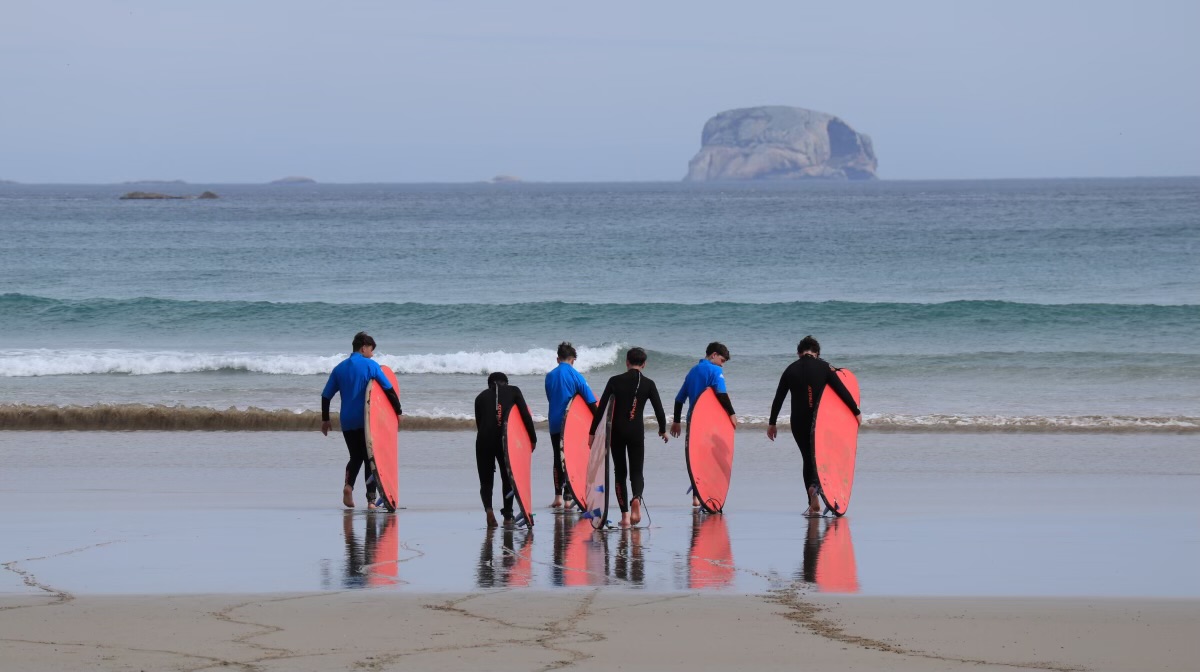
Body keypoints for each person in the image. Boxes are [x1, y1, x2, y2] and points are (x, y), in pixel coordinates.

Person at [767, 335, 861, 516]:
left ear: (799, 353)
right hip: (819, 422)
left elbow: (778, 398)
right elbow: (842, 391)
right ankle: (818, 486)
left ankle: (812, 498)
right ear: (817, 353)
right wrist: (856, 411)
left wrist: (772, 423)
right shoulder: (824, 367)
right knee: (822, 457)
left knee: (807, 458)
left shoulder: (790, 369)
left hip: (798, 422)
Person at [320, 331, 402, 509]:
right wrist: (398, 411)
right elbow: (388, 389)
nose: (372, 354)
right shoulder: (370, 366)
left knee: (355, 456)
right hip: (367, 421)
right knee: (370, 459)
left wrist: (325, 419)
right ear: (363, 347)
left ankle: (348, 487)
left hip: (347, 421)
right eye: (371, 350)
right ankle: (371, 500)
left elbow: (326, 395)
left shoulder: (339, 368)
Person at [588, 347, 668, 527]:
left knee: (620, 473)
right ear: (644, 364)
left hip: (616, 432)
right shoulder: (648, 383)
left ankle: (624, 516)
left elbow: (601, 410)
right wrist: (662, 429)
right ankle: (636, 499)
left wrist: (592, 433)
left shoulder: (614, 381)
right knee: (637, 471)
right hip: (636, 433)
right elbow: (659, 411)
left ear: (626, 362)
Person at [670, 342, 737, 507]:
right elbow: (721, 394)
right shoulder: (715, 370)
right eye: (722, 360)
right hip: (709, 423)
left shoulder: (693, 371)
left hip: (693, 420)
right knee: (708, 459)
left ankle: (695, 496)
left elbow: (679, 399)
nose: (722, 365)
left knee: (696, 458)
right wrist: (732, 414)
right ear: (713, 355)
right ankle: (705, 494)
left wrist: (676, 421)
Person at [474, 371, 537, 527]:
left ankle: (489, 510)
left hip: (483, 441)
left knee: (486, 481)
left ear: (489, 385)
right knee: (507, 477)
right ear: (506, 383)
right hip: (505, 441)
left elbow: (479, 424)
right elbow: (525, 416)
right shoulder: (514, 391)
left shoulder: (480, 398)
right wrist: (532, 439)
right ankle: (508, 517)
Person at [544, 341, 598, 509]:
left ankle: (558, 497)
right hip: (571, 425)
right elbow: (590, 401)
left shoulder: (549, 376)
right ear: (573, 360)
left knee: (557, 458)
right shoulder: (576, 376)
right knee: (570, 458)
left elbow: (550, 397)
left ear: (557, 359)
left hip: (554, 421)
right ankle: (569, 497)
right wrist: (599, 421)